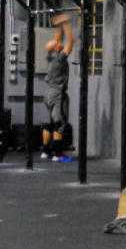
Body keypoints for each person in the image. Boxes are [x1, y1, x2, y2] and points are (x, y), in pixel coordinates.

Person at [40, 14, 74, 162]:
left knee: (48, 123)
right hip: (57, 93)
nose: (60, 43)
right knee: (59, 123)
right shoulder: (60, 59)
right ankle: (58, 155)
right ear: (56, 48)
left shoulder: (50, 56)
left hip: (48, 92)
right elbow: (71, 41)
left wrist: (58, 25)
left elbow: (57, 38)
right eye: (58, 44)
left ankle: (46, 151)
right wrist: (66, 24)